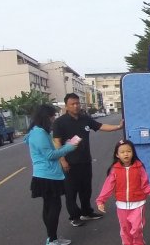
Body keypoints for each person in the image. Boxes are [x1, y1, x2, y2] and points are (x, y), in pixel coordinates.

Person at [52, 93, 123, 227]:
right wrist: (63, 160)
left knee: (86, 189)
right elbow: (57, 142)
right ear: (66, 106)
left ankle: (86, 212)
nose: (76, 106)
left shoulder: (85, 119)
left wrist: (117, 127)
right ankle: (74, 216)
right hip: (69, 162)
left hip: (85, 160)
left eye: (77, 103)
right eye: (72, 104)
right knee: (71, 192)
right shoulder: (59, 122)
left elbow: (100, 126)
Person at [25, 104, 79, 245]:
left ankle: (53, 238)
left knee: (49, 207)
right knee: (53, 208)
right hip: (46, 176)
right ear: (45, 117)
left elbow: (51, 150)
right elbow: (49, 155)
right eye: (52, 116)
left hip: (48, 175)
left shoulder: (40, 131)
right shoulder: (39, 133)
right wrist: (69, 147)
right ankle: (51, 241)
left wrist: (66, 145)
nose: (53, 119)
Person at [95, 139, 150, 245]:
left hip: (138, 204)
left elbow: (145, 184)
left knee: (137, 229)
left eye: (129, 151)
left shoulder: (139, 167)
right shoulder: (115, 170)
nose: (126, 154)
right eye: (122, 152)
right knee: (125, 230)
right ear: (117, 154)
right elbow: (108, 186)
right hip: (122, 206)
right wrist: (101, 201)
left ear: (133, 152)